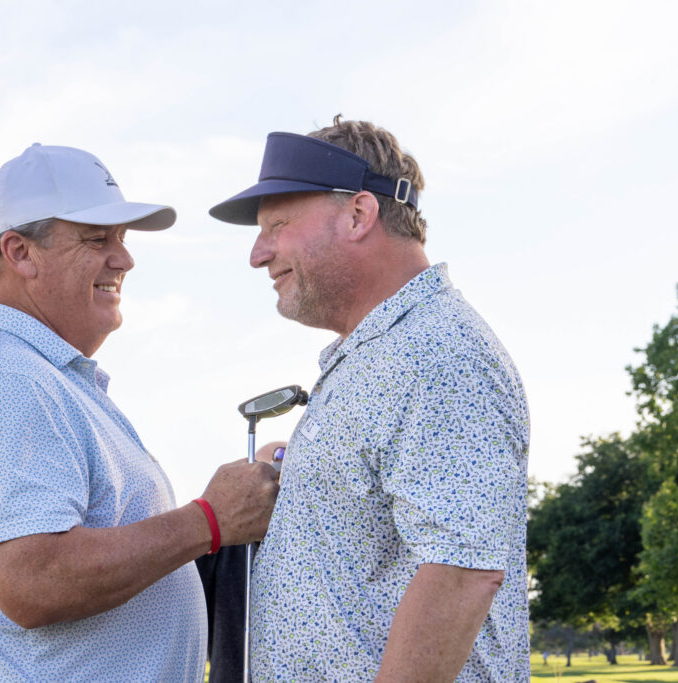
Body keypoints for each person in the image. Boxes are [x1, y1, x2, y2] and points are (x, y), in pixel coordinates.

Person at [0, 143, 280, 681]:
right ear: (20, 253)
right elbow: (31, 581)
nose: (124, 258)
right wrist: (210, 521)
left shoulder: (32, 375)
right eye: (97, 239)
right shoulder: (5, 379)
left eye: (122, 240)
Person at [209, 117, 532, 681]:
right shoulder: (386, 352)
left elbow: (460, 572)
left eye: (277, 225)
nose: (258, 254)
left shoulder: (437, 353)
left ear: (359, 215)